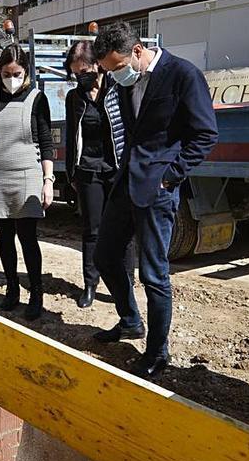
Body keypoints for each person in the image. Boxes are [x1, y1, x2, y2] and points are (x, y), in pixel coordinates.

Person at [91, 21, 219, 377]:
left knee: (153, 273)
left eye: (117, 68)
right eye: (108, 70)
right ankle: (130, 320)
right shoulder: (124, 82)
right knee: (105, 255)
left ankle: (158, 351)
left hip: (158, 189)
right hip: (126, 182)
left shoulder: (182, 75)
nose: (114, 76)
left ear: (137, 51)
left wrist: (169, 177)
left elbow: (205, 135)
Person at [0, 44, 54, 321]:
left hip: (27, 176)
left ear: (26, 71)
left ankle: (36, 294)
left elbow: (46, 142)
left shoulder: (37, 99)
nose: (11, 78)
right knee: (5, 239)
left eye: (17, 73)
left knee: (28, 239)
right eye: (6, 73)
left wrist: (48, 180)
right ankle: (12, 290)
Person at [64, 40, 119, 308]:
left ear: (98, 64)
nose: (80, 77)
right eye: (76, 73)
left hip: (116, 169)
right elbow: (72, 134)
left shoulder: (117, 90)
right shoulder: (74, 98)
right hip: (88, 169)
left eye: (84, 71)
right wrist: (72, 172)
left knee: (122, 230)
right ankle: (90, 284)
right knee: (92, 230)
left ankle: (123, 284)